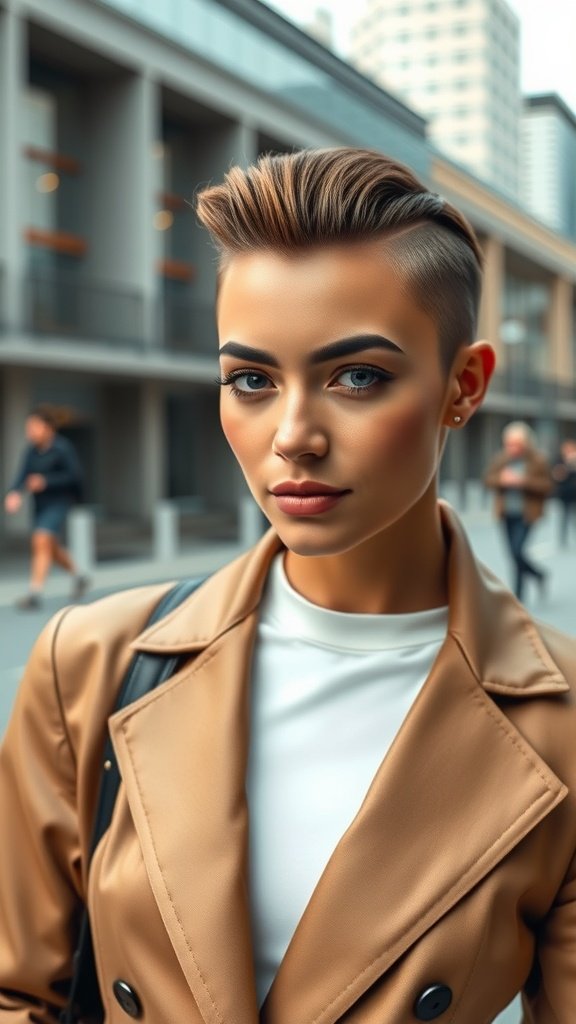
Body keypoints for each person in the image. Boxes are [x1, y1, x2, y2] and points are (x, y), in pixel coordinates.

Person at [1, 148, 576, 1024]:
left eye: (358, 376)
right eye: (252, 380)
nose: (293, 435)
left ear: (463, 387)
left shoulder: (561, 724)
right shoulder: (88, 662)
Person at [3, 405, 89, 609]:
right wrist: (14, 493)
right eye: (28, 428)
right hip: (40, 505)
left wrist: (46, 481)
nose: (30, 432)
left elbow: (74, 477)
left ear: (48, 428)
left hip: (59, 503)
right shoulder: (31, 451)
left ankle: (35, 593)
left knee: (40, 540)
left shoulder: (62, 448)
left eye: (34, 427)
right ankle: (79, 576)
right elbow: (22, 475)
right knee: (50, 547)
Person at [483, 421, 553, 602]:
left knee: (518, 551)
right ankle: (538, 576)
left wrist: (523, 481)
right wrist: (501, 480)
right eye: (508, 444)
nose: (511, 448)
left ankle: (518, 596)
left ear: (525, 444)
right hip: (506, 512)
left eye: (516, 444)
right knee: (513, 555)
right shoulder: (501, 459)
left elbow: (548, 486)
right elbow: (488, 479)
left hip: (527, 513)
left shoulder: (538, 460)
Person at [551, 438, 576, 547]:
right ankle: (563, 539)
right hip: (565, 493)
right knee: (564, 516)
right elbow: (557, 475)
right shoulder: (560, 461)